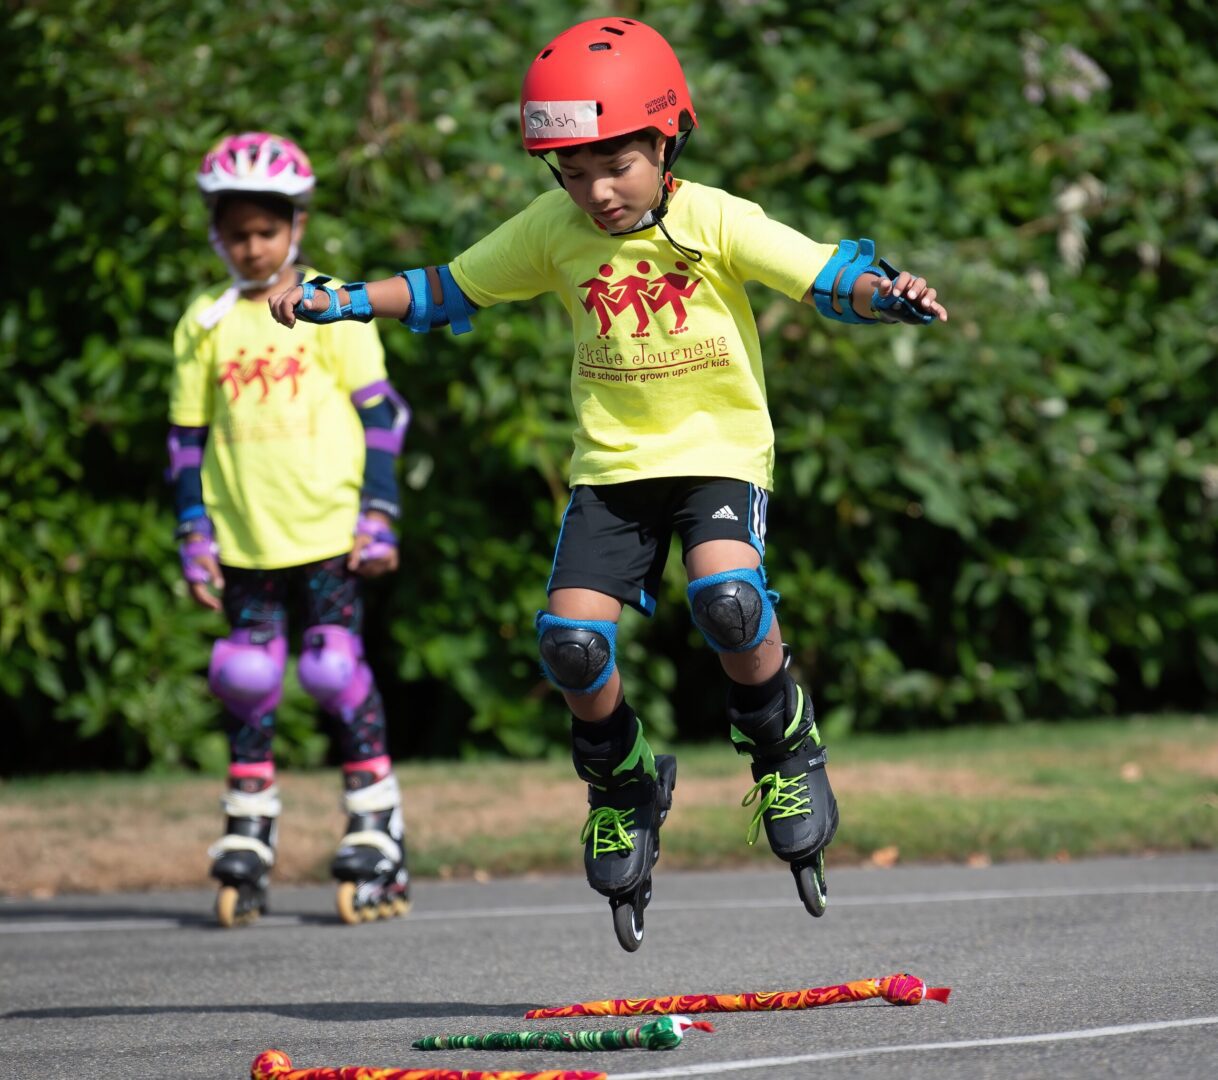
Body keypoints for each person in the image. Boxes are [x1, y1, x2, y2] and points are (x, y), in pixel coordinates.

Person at [269, 18, 948, 951]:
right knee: (574, 646)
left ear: (666, 140)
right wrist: (344, 299)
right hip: (614, 470)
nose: (595, 192)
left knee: (727, 597)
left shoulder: (712, 218)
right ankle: (625, 781)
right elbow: (446, 288)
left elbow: (825, 273)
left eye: (616, 164)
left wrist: (891, 294)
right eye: (572, 171)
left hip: (716, 451)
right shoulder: (554, 230)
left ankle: (785, 744)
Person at [168, 132, 412, 927]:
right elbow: (184, 440)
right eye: (237, 232)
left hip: (329, 534)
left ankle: (378, 824)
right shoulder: (203, 326)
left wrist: (380, 513)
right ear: (217, 232)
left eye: (265, 231)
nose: (251, 246)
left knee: (334, 669)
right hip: (245, 539)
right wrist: (191, 532)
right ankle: (250, 826)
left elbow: (382, 415)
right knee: (244, 675)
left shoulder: (328, 306)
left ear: (295, 228)